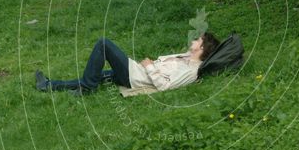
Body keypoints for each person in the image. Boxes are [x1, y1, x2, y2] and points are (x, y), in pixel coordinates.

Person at [35, 32, 220, 96]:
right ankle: (48, 85)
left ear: (201, 48)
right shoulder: (187, 57)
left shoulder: (190, 71)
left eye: (198, 40)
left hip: (135, 76)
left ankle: (87, 87)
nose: (194, 40)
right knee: (95, 75)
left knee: (103, 44)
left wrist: (149, 66)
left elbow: (165, 86)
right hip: (137, 71)